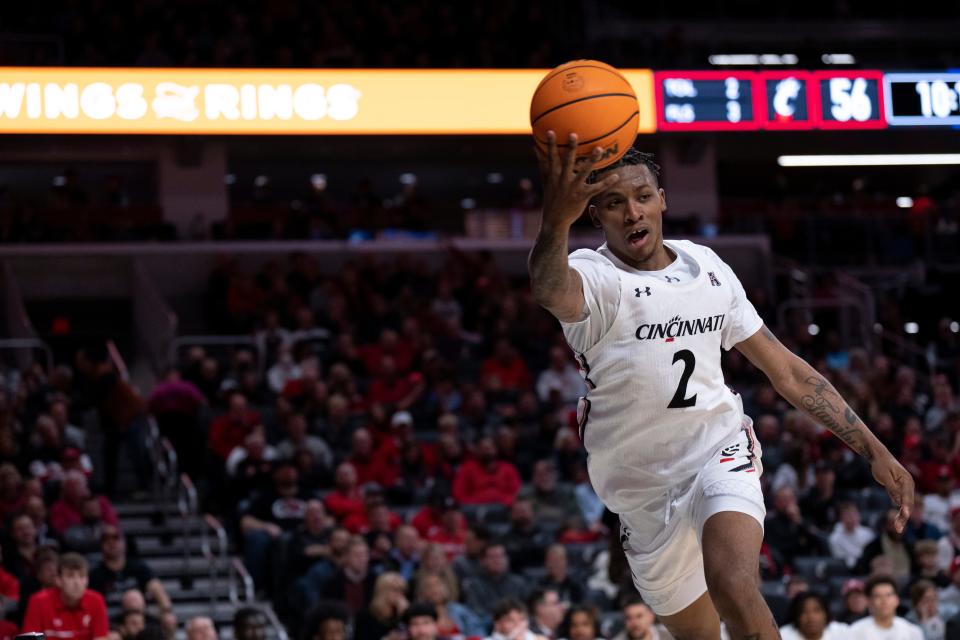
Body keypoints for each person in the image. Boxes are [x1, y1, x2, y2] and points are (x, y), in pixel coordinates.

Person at [527, 137, 914, 639]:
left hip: (718, 451)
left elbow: (789, 372)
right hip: (640, 492)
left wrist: (874, 449)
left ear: (663, 198)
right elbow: (548, 287)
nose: (632, 212)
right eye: (614, 203)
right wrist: (555, 220)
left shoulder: (706, 268)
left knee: (733, 584)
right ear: (595, 215)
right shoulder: (594, 276)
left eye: (642, 196)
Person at [88, 525, 176, 631]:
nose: (111, 542)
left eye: (115, 538)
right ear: (101, 545)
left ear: (124, 542)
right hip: (112, 623)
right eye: (106, 539)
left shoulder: (138, 567)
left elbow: (157, 588)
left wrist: (167, 611)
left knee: (166, 619)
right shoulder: (95, 574)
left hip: (140, 619)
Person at [22, 552, 109, 640]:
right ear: (58, 580)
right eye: (70, 576)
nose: (77, 583)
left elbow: (100, 638)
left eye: (82, 576)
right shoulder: (38, 601)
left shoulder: (96, 600)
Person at [850, 576, 923, 640]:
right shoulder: (856, 631)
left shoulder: (912, 632)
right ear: (869, 601)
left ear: (897, 599)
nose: (884, 601)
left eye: (888, 595)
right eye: (878, 596)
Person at [779, 593, 849, 640]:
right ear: (796, 616)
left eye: (817, 610)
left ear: (826, 613)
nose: (811, 617)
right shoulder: (782, 636)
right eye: (803, 611)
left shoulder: (842, 631)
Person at [829, 502, 876, 569]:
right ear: (841, 518)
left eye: (854, 513)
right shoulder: (834, 538)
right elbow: (840, 560)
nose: (852, 517)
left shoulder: (868, 533)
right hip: (847, 570)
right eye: (848, 515)